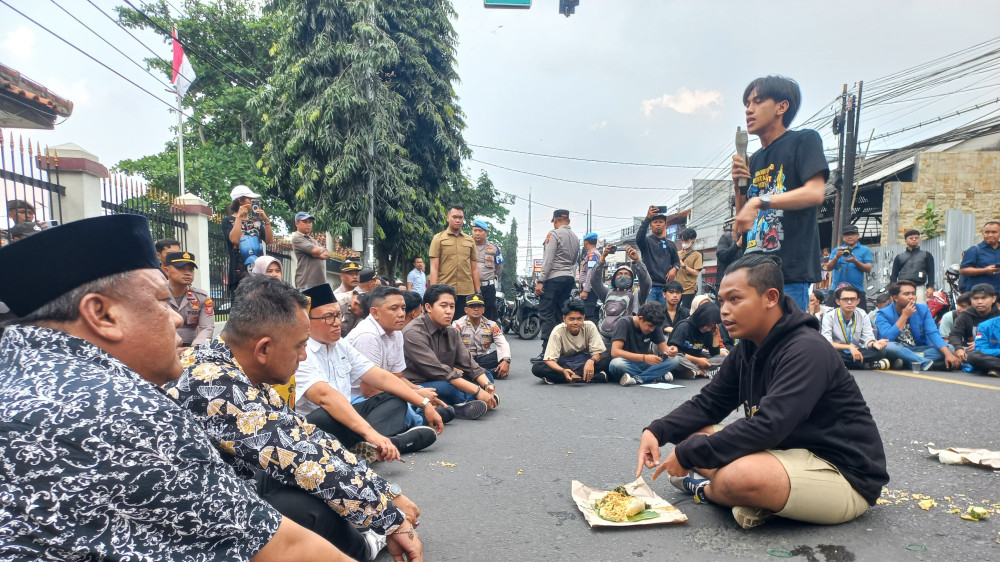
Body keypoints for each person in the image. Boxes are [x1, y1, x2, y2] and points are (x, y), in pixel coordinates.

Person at [0, 215, 348, 561]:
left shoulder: (23, 375)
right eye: (159, 302)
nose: (177, 318)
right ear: (102, 315)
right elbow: (274, 543)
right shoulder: (123, 408)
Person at [165, 275, 423, 561]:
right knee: (297, 502)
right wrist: (390, 519)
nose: (303, 356)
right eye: (300, 346)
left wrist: (388, 493)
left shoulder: (229, 363)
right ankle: (365, 547)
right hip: (204, 526)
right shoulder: (213, 383)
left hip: (237, 487)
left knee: (308, 471)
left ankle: (358, 523)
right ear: (263, 348)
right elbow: (302, 460)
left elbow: (303, 436)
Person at [636, 253, 889, 530]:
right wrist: (657, 431)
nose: (723, 310)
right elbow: (709, 403)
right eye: (721, 301)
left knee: (736, 476)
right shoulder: (748, 345)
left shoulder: (806, 349)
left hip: (841, 474)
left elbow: (768, 427)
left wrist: (687, 456)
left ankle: (707, 489)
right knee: (689, 434)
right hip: (784, 452)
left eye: (735, 299)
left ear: (770, 297)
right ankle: (743, 493)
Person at [294, 283, 442, 458]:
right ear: (307, 322)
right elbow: (325, 397)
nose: (338, 323)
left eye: (338, 315)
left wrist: (422, 403)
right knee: (321, 417)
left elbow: (381, 377)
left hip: (346, 415)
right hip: (317, 423)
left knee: (393, 398)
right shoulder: (299, 351)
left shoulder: (339, 344)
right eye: (329, 317)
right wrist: (370, 432)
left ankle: (364, 448)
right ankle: (392, 443)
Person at [731, 76, 829, 311]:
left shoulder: (803, 140)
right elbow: (743, 222)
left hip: (788, 273)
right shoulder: (754, 160)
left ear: (781, 107)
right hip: (753, 271)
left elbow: (815, 193)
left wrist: (758, 201)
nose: (749, 110)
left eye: (757, 101)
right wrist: (738, 188)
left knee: (785, 343)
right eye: (746, 104)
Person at [347, 285, 455, 428]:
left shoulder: (396, 332)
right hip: (360, 400)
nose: (401, 314)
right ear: (375, 312)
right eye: (394, 309)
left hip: (385, 392)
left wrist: (418, 391)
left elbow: (397, 377)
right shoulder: (367, 336)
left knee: (437, 398)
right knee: (398, 401)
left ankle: (417, 418)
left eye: (403, 308)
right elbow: (370, 391)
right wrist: (417, 396)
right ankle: (415, 422)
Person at [402, 284, 497, 418]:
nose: (449, 311)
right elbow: (440, 371)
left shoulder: (452, 331)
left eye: (452, 306)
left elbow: (468, 363)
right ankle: (464, 404)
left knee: (486, 374)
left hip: (448, 377)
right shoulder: (413, 333)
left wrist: (487, 385)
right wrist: (477, 390)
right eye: (443, 306)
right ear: (428, 307)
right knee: (447, 388)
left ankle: (462, 403)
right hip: (421, 382)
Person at [876, 280, 962, 371]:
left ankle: (907, 361)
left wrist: (948, 354)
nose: (911, 297)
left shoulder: (923, 309)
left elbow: (933, 333)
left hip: (918, 350)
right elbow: (887, 337)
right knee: (889, 346)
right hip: (896, 349)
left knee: (950, 348)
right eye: (906, 294)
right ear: (895, 298)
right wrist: (904, 316)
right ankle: (927, 364)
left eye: (913, 294)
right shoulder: (882, 313)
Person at [535, 209, 581, 358]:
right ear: (568, 221)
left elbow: (548, 259)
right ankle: (560, 350)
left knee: (547, 314)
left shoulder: (553, 234)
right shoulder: (575, 238)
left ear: (555, 220)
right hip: (568, 279)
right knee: (561, 314)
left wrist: (541, 280)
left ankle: (546, 352)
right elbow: (574, 260)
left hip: (553, 279)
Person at [531, 298, 608, 384]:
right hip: (564, 364)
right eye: (571, 319)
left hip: (584, 362)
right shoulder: (558, 331)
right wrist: (563, 370)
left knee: (607, 361)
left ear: (584, 318)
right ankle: (594, 377)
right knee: (537, 368)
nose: (575, 322)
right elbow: (549, 360)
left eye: (579, 319)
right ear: (564, 318)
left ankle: (558, 379)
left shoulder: (590, 326)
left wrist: (591, 361)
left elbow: (598, 353)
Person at [589, 244, 651, 342]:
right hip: (604, 337)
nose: (623, 276)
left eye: (627, 274)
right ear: (614, 279)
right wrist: (602, 258)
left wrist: (638, 261)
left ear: (631, 279)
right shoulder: (608, 293)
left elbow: (646, 282)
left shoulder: (637, 295)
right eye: (619, 274)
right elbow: (594, 281)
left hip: (626, 337)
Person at [222, 184, 275, 298]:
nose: (252, 202)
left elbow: (270, 241)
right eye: (249, 199)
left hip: (259, 275)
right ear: (240, 200)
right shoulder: (228, 221)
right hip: (238, 274)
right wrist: (239, 218)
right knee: (240, 309)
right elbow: (235, 240)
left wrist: (266, 221)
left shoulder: (256, 221)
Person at [820, 285, 889, 370]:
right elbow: (827, 342)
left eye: (853, 299)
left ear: (858, 301)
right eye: (845, 299)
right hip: (837, 350)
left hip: (857, 351)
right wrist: (849, 347)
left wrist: (874, 343)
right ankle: (864, 364)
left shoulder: (862, 314)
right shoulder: (829, 316)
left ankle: (845, 364)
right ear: (838, 301)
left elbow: (868, 338)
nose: (849, 302)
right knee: (825, 353)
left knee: (881, 352)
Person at [612, 302, 680, 386]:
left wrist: (671, 351)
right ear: (640, 318)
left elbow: (664, 349)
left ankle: (638, 379)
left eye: (654, 327)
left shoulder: (654, 325)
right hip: (628, 363)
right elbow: (615, 352)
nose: (652, 329)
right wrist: (644, 358)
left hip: (645, 364)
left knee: (674, 360)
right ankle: (656, 376)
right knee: (616, 364)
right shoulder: (624, 322)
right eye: (650, 325)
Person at [429, 204, 479, 310]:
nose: (458, 220)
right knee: (444, 323)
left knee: (463, 324)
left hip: (467, 291)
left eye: (460, 218)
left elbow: (474, 268)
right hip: (445, 290)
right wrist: (432, 291)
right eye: (454, 217)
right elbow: (434, 267)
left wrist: (478, 291)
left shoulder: (470, 240)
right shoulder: (438, 238)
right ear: (448, 218)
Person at [453, 294, 512, 380]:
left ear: (483, 310)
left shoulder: (491, 325)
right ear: (466, 310)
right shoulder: (458, 325)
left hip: (482, 360)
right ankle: (487, 373)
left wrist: (506, 361)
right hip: (464, 361)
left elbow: (502, 342)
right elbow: (452, 346)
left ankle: (470, 373)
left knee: (498, 355)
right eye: (472, 306)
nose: (476, 309)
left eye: (479, 306)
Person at [164, 251, 214, 350]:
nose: (187, 273)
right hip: (163, 348)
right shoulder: (156, 296)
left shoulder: (201, 297)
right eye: (181, 268)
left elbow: (207, 327)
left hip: (192, 347)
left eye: (191, 270)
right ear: (167, 270)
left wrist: (195, 349)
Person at [636, 205, 680, 305]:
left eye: (661, 222)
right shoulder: (646, 242)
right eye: (655, 222)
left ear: (665, 224)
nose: (658, 224)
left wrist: (675, 269)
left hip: (666, 287)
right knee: (649, 316)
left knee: (664, 316)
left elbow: (676, 262)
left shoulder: (671, 244)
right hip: (649, 287)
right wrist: (647, 218)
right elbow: (639, 237)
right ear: (650, 226)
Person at [667, 300, 725, 379]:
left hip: (697, 358)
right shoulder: (684, 326)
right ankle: (702, 371)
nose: (708, 329)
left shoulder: (708, 331)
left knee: (724, 358)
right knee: (676, 358)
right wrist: (697, 360)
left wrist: (715, 335)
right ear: (702, 319)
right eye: (708, 325)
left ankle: (694, 371)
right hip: (683, 359)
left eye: (712, 327)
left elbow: (714, 354)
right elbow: (674, 352)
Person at [948, 283, 999, 368]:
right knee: (950, 350)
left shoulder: (998, 316)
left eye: (984, 298)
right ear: (971, 300)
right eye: (975, 298)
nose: (979, 302)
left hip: (994, 351)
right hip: (969, 351)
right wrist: (958, 348)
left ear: (994, 299)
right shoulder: (965, 315)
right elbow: (955, 334)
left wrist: (980, 344)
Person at [824, 225, 873, 312]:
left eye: (853, 234)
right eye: (847, 235)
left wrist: (855, 261)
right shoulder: (837, 250)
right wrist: (836, 257)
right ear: (843, 238)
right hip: (836, 290)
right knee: (831, 317)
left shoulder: (865, 250)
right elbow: (828, 268)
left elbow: (868, 268)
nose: (850, 236)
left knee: (859, 318)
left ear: (858, 236)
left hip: (857, 291)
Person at [890, 229, 935, 304]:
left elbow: (931, 272)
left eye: (916, 238)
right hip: (902, 287)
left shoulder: (927, 255)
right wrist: (892, 291)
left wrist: (930, 287)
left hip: (919, 287)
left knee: (920, 309)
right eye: (911, 238)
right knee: (902, 309)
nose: (914, 240)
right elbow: (894, 275)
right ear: (905, 241)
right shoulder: (899, 257)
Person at [471, 219, 504, 321]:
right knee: (470, 314)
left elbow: (499, 268)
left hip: (488, 287)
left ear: (486, 232)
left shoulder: (494, 248)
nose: (477, 233)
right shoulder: (467, 246)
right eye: (475, 230)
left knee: (489, 315)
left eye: (480, 231)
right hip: (470, 287)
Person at [291, 211, 330, 289]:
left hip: (320, 283)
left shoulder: (311, 239)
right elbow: (316, 251)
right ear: (297, 223)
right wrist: (319, 250)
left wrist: (317, 251)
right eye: (305, 222)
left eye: (310, 222)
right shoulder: (297, 238)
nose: (308, 224)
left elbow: (327, 255)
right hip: (306, 283)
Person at [958, 221, 1000, 293]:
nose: (990, 235)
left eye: (994, 232)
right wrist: (985, 270)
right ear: (983, 233)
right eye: (987, 232)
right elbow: (963, 270)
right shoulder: (974, 250)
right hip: (980, 294)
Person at [675, 228, 703, 310]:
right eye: (682, 240)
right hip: (676, 288)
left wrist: (684, 266)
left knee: (685, 312)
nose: (684, 243)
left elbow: (696, 273)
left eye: (686, 241)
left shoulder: (697, 255)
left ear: (693, 240)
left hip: (689, 290)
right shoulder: (677, 253)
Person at [579, 232, 602, 323]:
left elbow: (590, 272)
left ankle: (591, 334)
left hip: (590, 289)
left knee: (588, 313)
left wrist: (586, 290)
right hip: (592, 288)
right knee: (589, 312)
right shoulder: (595, 254)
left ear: (586, 243)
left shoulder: (592, 255)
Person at [715, 222, 742, 287]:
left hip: (742, 283)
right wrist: (737, 245)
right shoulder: (726, 237)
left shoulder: (751, 240)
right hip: (726, 282)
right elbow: (721, 256)